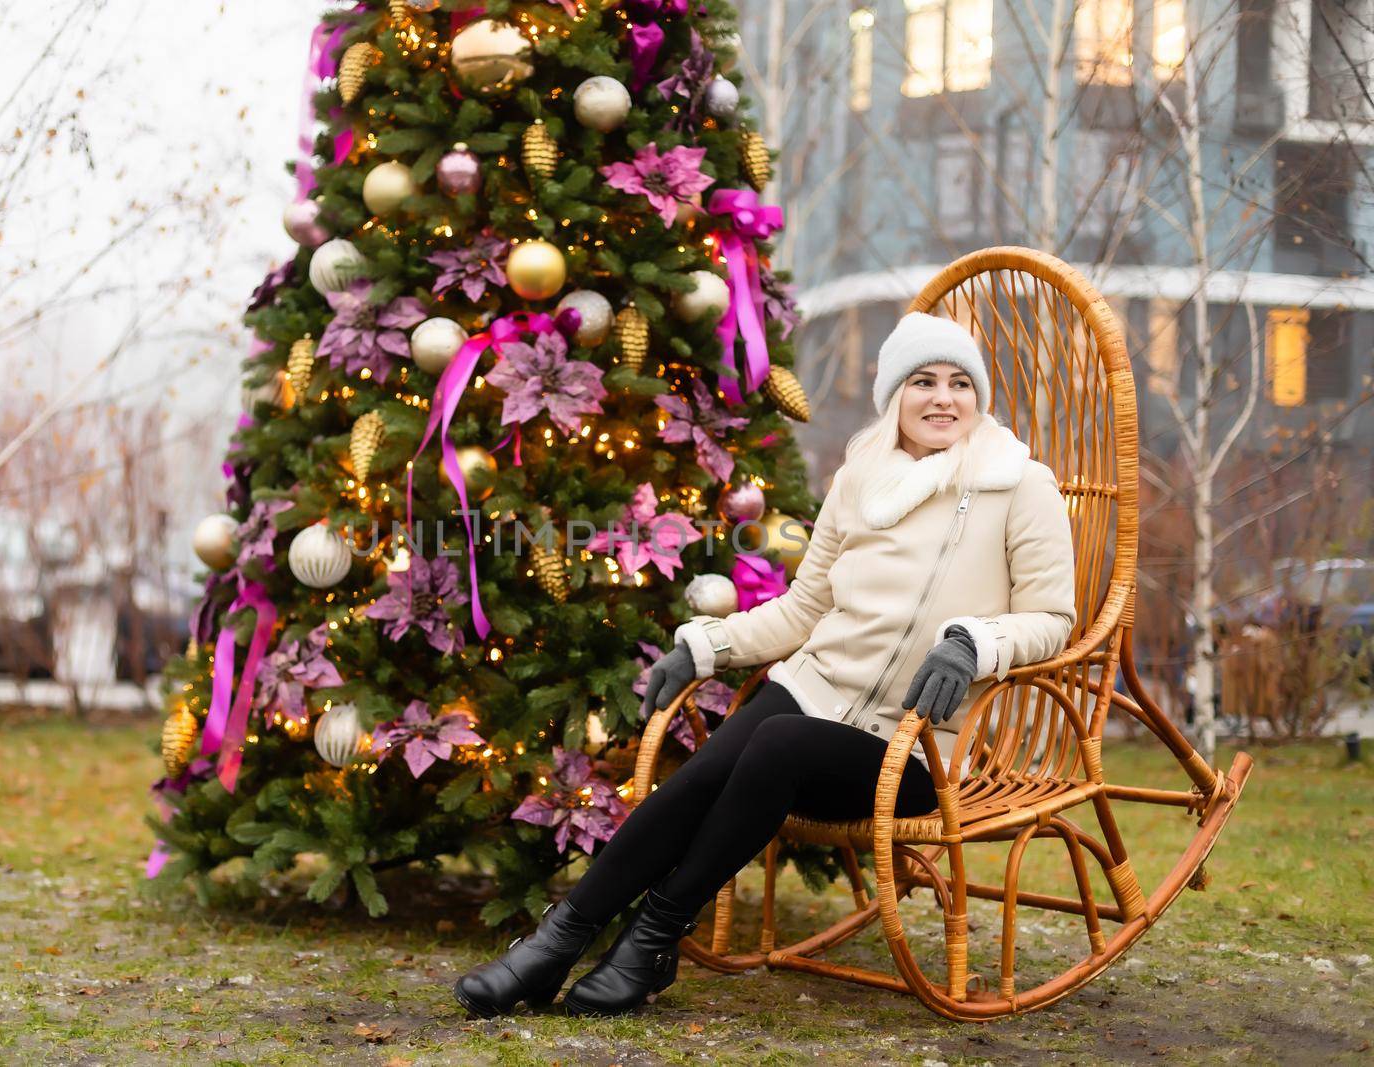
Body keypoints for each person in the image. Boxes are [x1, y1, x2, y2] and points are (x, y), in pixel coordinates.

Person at [453, 312, 1078, 1019]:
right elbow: (803, 608)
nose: (944, 398)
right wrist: (706, 646)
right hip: (815, 693)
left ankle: (652, 935)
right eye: (924, 381)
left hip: (915, 746)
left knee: (773, 737)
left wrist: (974, 642)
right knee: (719, 760)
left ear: (979, 397)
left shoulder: (1018, 484)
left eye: (961, 383)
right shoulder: (860, 480)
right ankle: (557, 942)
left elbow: (1054, 619)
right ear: (893, 395)